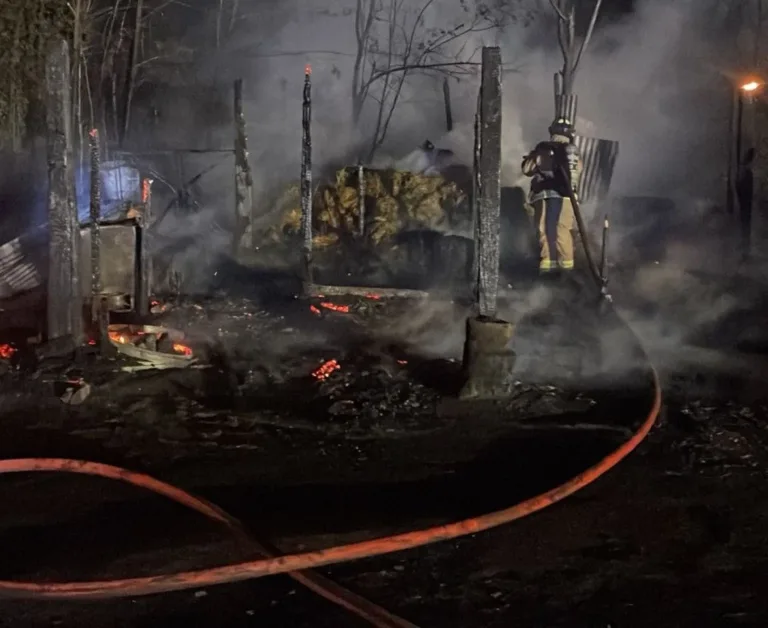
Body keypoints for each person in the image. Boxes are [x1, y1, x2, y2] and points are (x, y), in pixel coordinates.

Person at [521, 117, 583, 275]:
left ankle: (548, 267)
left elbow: (527, 169)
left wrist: (531, 156)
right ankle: (567, 268)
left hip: (547, 194)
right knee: (563, 229)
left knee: (545, 229)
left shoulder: (544, 149)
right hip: (569, 198)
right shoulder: (575, 153)